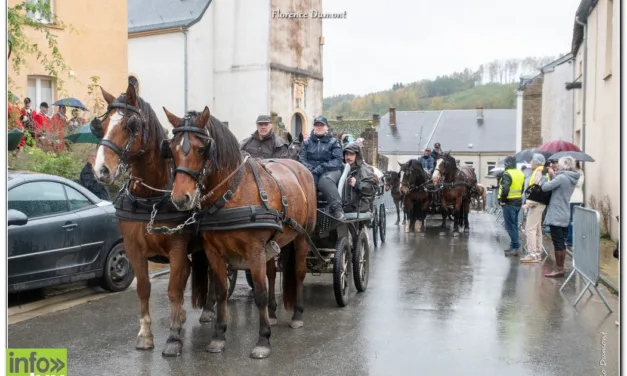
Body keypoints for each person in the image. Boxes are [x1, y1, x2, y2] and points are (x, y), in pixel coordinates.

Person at [299, 116, 344, 219]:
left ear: (327, 127)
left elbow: (338, 160)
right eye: (317, 125)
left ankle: (337, 208)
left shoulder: (334, 142)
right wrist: (310, 168)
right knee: (304, 181)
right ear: (314, 127)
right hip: (311, 171)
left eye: (322, 125)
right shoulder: (306, 143)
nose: (319, 127)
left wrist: (322, 167)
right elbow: (301, 159)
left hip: (330, 170)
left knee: (325, 181)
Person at [541, 156, 580, 277]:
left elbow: (545, 187)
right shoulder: (570, 177)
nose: (556, 165)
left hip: (556, 213)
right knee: (561, 242)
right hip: (564, 212)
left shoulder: (562, 177)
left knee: (557, 242)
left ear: (563, 166)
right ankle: (560, 267)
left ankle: (559, 268)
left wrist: (545, 177)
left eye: (558, 164)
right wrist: (554, 175)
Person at [520, 153, 548, 263]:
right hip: (540, 203)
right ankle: (537, 252)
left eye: (532, 161)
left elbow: (537, 189)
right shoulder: (542, 171)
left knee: (530, 229)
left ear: (537, 163)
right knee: (537, 229)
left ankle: (532, 254)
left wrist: (529, 203)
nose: (530, 163)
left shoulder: (538, 172)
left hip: (536, 203)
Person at [342, 142, 378, 213]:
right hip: (341, 209)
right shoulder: (340, 169)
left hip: (359, 209)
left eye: (351, 154)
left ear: (357, 156)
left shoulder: (365, 171)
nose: (348, 157)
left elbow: (372, 188)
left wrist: (357, 184)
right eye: (346, 154)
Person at [499, 156, 525, 256]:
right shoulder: (520, 173)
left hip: (509, 203)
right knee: (514, 225)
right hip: (518, 202)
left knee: (510, 226)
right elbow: (522, 189)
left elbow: (505, 189)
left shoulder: (507, 173)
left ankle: (516, 247)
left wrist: (502, 200)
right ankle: (513, 245)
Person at [566, 161, 584, 247]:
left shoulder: (580, 172)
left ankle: (571, 240)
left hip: (576, 199)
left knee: (572, 221)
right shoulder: (570, 172)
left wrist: (571, 177)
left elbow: (578, 183)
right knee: (569, 220)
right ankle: (569, 238)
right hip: (569, 199)